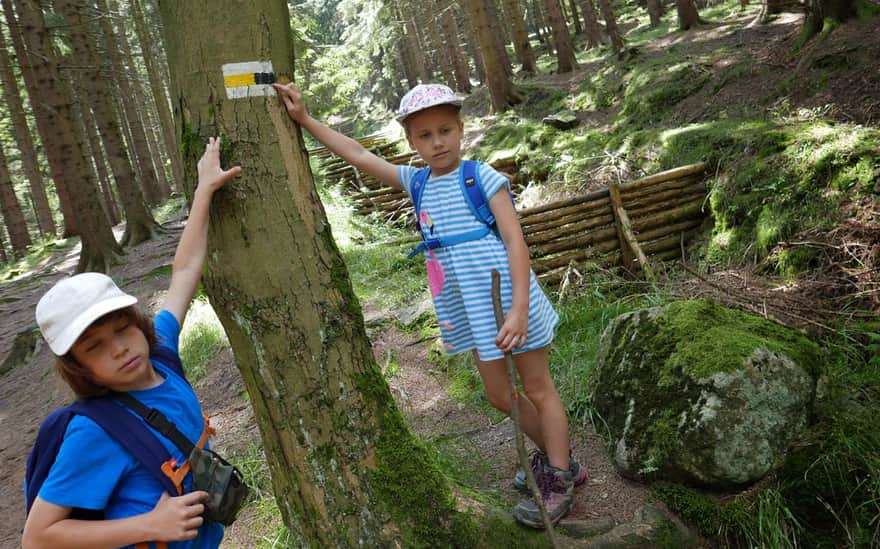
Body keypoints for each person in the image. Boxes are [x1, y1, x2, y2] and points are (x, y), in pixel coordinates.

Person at [274, 81, 586, 527]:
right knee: (500, 395)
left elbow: (516, 243)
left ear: (461, 130)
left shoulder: (483, 178)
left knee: (537, 387)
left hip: (509, 296)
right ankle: (564, 461)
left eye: (445, 130)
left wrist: (518, 309)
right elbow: (361, 157)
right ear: (411, 142)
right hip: (473, 307)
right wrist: (305, 120)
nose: (437, 142)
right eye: (425, 135)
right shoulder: (417, 182)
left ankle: (558, 477)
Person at [22, 137, 241, 549]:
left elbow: (185, 270)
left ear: (138, 324)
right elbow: (38, 537)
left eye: (122, 329)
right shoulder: (96, 431)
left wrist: (204, 190)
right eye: (94, 347)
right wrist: (150, 525)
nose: (119, 348)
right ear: (78, 367)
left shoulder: (162, 358)